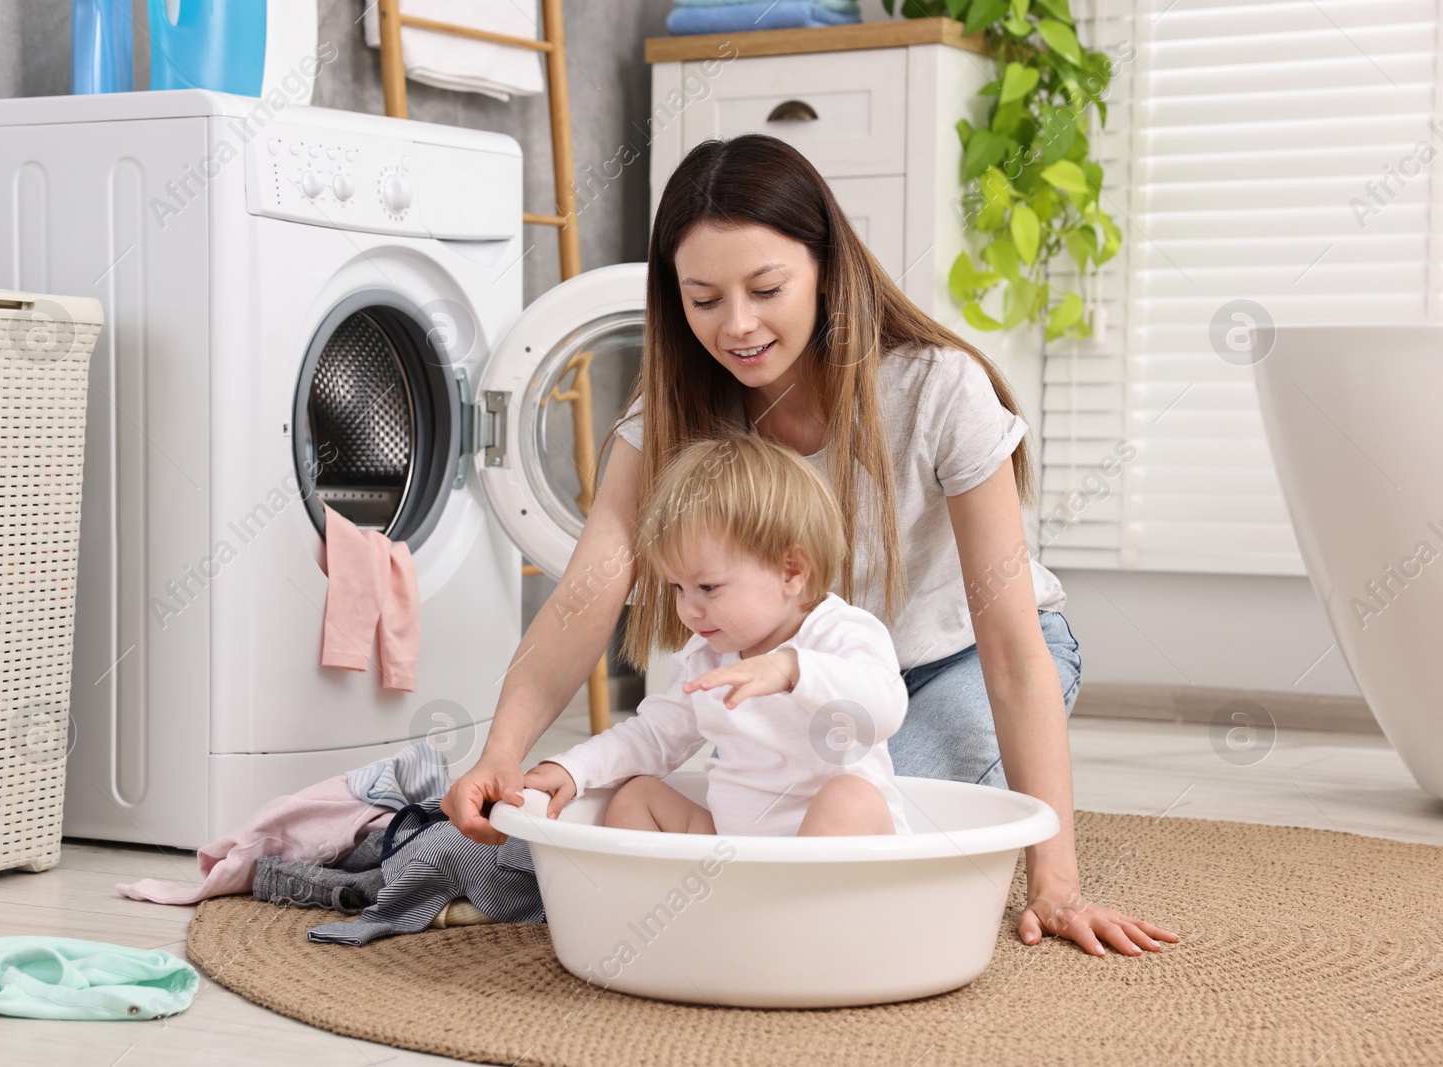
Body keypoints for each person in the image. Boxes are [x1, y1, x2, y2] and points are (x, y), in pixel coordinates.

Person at [442, 132, 1179, 958]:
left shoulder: (937, 388)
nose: (738, 326)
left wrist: (1055, 880)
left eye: (766, 288)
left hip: (959, 660)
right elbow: (586, 596)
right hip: (779, 682)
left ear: (826, 265)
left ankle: (747, 927)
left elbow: (1010, 652)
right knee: (695, 815)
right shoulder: (675, 413)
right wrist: (503, 755)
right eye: (704, 298)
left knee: (849, 806)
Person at [526, 434, 913, 838]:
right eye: (678, 587)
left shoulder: (839, 631)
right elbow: (656, 735)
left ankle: (800, 901)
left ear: (791, 571)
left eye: (708, 588)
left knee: (852, 797)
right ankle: (667, 901)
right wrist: (576, 768)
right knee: (637, 796)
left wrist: (792, 669)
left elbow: (884, 709)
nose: (688, 609)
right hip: (736, 861)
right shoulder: (706, 656)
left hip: (835, 870)